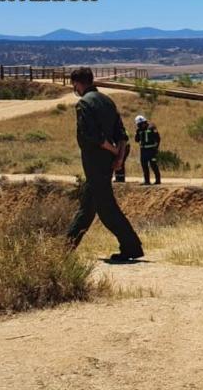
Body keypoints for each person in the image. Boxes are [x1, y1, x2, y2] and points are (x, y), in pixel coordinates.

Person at [65, 67, 144, 262]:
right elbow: (122, 134)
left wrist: (113, 151)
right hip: (108, 161)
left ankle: (131, 246)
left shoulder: (84, 103)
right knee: (88, 205)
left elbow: (92, 136)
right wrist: (118, 157)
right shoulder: (107, 101)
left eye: (74, 84)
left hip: (94, 160)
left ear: (78, 83)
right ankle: (64, 249)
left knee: (106, 208)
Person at [134, 115, 162, 185]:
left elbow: (158, 138)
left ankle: (158, 180)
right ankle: (147, 181)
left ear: (145, 122)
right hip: (143, 150)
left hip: (151, 150)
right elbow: (136, 140)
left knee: (153, 165)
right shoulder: (139, 130)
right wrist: (137, 133)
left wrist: (156, 148)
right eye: (138, 125)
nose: (140, 126)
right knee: (144, 165)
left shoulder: (152, 127)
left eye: (141, 124)